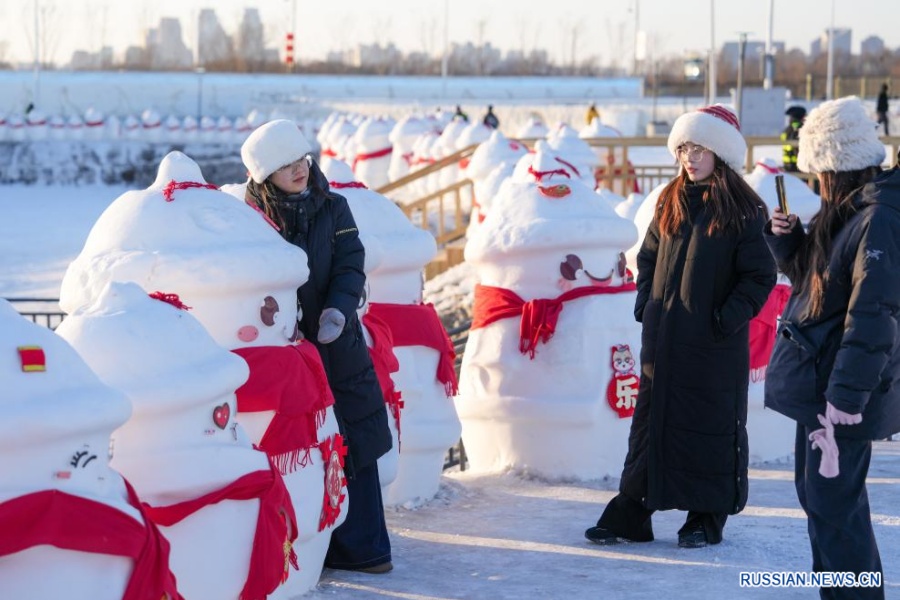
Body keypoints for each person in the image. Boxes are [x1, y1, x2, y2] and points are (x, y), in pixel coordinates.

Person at [584, 105, 776, 549]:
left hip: (713, 344)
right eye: (685, 147)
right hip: (664, 340)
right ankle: (632, 511)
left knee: (706, 427)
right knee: (653, 423)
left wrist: (724, 319)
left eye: (701, 148)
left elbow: (760, 276)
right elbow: (648, 255)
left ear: (721, 155)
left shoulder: (744, 209)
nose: (691, 157)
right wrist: (648, 304)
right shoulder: (669, 198)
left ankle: (704, 519)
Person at [240, 119, 394, 574]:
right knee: (303, 444)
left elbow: (351, 263)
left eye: (300, 159)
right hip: (286, 353)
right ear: (265, 174)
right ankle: (308, 545)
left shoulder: (335, 206)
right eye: (285, 165)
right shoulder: (251, 215)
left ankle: (365, 547)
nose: (298, 170)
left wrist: (339, 310)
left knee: (353, 437)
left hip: (336, 343)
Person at [764, 96, 900, 598]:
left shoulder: (878, 218)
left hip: (838, 395)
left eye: (819, 171)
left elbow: (873, 316)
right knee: (821, 501)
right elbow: (821, 289)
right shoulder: (848, 211)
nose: (817, 182)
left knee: (835, 510)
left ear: (837, 166)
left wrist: (845, 398)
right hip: (822, 386)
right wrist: (789, 243)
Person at [781, 105, 807, 172]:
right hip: (797, 167)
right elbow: (797, 149)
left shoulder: (787, 129)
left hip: (787, 166)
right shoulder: (800, 129)